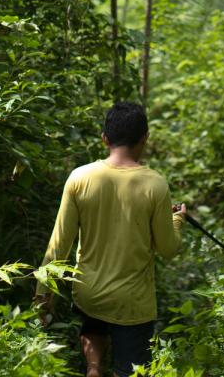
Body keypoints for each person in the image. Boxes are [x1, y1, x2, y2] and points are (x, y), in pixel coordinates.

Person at [36, 100, 186, 377]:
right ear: (145, 139)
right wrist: (177, 220)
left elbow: (59, 243)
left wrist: (43, 294)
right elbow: (167, 248)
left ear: (104, 138)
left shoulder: (79, 178)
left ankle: (93, 369)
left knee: (93, 329)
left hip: (89, 294)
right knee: (128, 370)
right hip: (133, 302)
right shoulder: (155, 184)